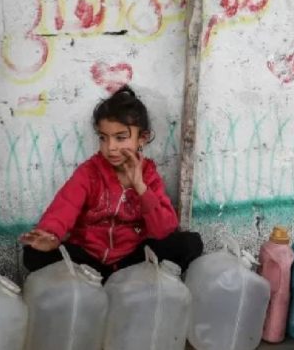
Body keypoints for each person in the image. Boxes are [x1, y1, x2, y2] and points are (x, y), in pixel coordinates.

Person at [19, 86, 203, 280]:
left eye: (120, 138)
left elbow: (163, 230)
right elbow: (65, 207)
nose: (111, 147)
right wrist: (50, 235)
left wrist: (140, 187)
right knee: (33, 253)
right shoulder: (89, 172)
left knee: (190, 244)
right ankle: (99, 281)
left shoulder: (149, 176)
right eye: (103, 138)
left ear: (142, 139)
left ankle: (128, 282)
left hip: (131, 261)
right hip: (88, 261)